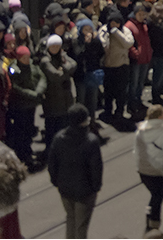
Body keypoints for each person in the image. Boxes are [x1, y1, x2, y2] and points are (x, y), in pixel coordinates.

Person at [48, 104, 103, 239]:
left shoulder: (59, 138)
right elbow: (96, 168)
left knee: (71, 220)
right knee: (81, 226)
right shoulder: (91, 141)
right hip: (85, 192)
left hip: (65, 189)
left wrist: (57, 182)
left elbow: (52, 164)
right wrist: (95, 187)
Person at [136, 105, 163, 233]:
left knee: (154, 195)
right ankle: (153, 223)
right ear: (159, 117)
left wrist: (138, 166)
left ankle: (149, 214)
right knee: (158, 197)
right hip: (158, 171)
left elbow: (136, 152)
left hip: (143, 170)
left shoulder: (140, 131)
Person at [6, 45, 45, 165]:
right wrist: (32, 94)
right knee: (21, 132)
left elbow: (41, 77)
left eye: (28, 57)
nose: (27, 60)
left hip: (31, 106)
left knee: (29, 129)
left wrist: (39, 91)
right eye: (24, 58)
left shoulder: (33, 66)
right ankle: (23, 154)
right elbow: (16, 87)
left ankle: (28, 151)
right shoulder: (14, 69)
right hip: (19, 106)